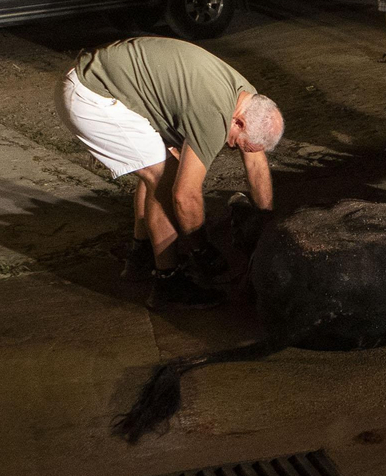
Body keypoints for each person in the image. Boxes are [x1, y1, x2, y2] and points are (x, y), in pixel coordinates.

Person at [57, 36, 284, 308]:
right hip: (90, 97)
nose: (231, 147)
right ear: (238, 121)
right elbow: (184, 196)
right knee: (164, 176)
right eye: (235, 143)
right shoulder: (215, 114)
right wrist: (202, 248)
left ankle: (140, 256)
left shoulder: (249, 98)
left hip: (97, 78)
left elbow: (257, 164)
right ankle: (169, 283)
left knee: (158, 162)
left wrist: (266, 219)